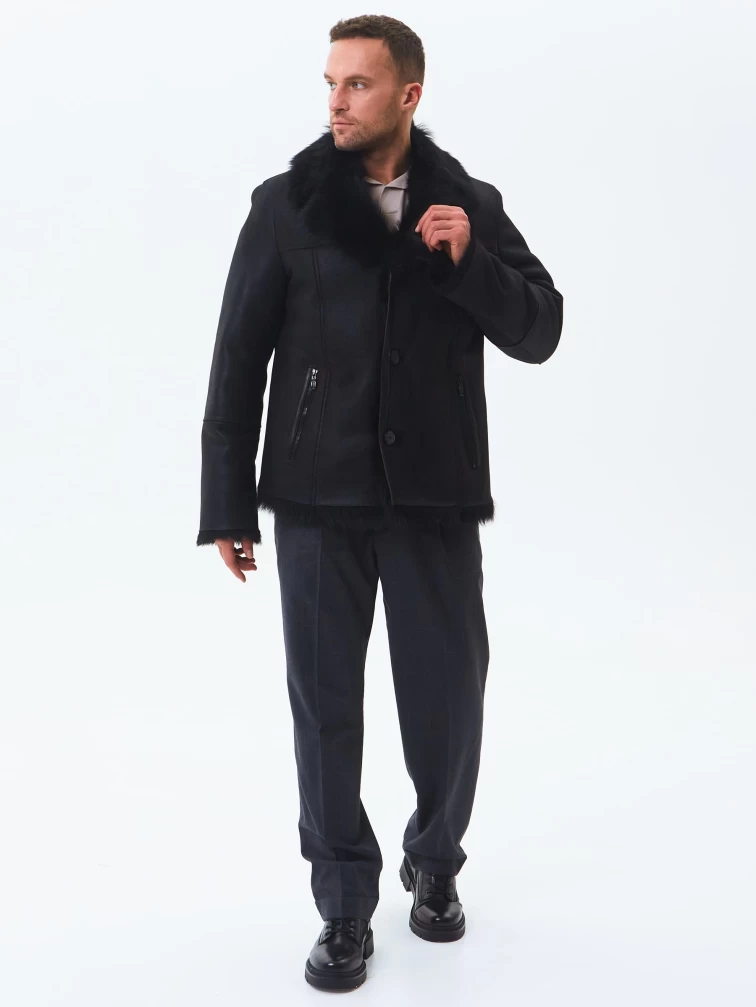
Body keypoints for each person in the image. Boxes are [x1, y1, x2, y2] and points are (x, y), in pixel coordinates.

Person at [196, 14, 563, 992]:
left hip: (435, 497)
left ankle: (435, 862)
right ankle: (343, 905)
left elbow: (542, 330)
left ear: (408, 95)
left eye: (357, 84)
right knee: (325, 707)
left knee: (448, 694)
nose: (336, 101)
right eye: (329, 82)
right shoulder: (285, 206)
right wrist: (227, 501)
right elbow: (238, 358)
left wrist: (472, 263)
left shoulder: (469, 203)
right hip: (316, 496)